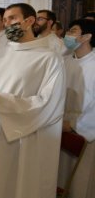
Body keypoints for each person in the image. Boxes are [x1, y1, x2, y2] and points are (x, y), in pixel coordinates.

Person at [0, 3, 65, 198]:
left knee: (19, 186)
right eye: (4, 20)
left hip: (25, 135)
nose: (6, 23)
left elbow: (49, 103)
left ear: (29, 21)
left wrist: (5, 103)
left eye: (12, 18)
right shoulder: (0, 54)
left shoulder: (49, 59)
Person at [58, 18, 95, 198]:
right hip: (59, 129)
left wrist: (72, 124)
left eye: (73, 31)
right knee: (59, 182)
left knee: (80, 184)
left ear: (87, 36)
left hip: (86, 135)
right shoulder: (65, 61)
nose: (67, 35)